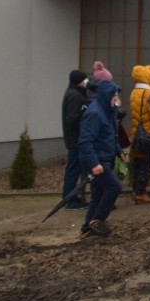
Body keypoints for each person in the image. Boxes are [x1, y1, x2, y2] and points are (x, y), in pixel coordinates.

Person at [78, 79, 126, 238]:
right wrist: (94, 163)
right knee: (115, 187)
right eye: (115, 96)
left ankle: (86, 228)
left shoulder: (109, 111)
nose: (117, 100)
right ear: (107, 96)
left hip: (106, 157)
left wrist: (118, 151)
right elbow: (85, 142)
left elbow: (111, 135)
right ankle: (97, 219)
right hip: (98, 160)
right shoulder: (94, 113)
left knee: (97, 195)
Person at [129, 65, 150, 204]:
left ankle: (136, 189)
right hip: (147, 133)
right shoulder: (148, 93)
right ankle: (141, 192)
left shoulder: (134, 91)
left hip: (136, 133)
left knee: (137, 163)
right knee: (146, 164)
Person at [61, 69, 89, 210]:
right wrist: (85, 112)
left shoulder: (73, 93)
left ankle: (70, 197)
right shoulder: (75, 96)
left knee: (74, 168)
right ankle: (70, 199)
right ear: (80, 81)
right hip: (75, 139)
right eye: (85, 79)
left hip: (74, 138)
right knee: (73, 169)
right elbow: (72, 118)